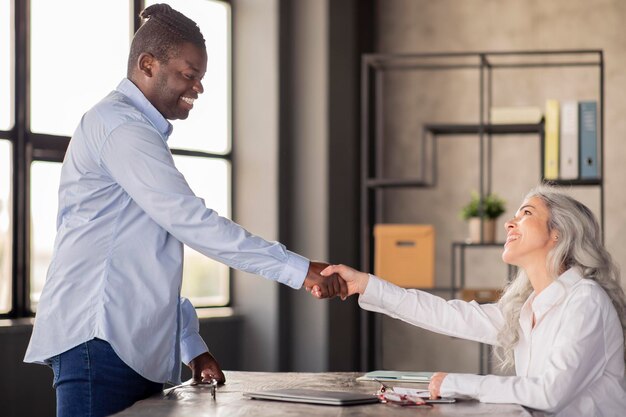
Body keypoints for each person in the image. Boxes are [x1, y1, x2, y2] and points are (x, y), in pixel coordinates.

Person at [24, 4, 346, 417]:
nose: (198, 88)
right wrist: (300, 269)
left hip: (122, 345)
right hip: (98, 344)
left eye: (200, 77)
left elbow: (147, 257)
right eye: (189, 75)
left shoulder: (136, 132)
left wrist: (191, 345)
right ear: (147, 65)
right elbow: (193, 223)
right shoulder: (121, 127)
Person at [320, 184, 626, 416]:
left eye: (527, 213)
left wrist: (455, 383)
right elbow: (444, 315)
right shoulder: (528, 307)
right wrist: (364, 284)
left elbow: (550, 393)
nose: (510, 222)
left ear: (557, 233)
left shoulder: (585, 301)